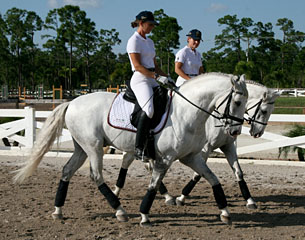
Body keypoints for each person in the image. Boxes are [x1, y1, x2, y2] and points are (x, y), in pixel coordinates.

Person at [126, 10, 168, 161]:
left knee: (167, 102)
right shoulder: (134, 40)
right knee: (149, 110)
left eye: (153, 25)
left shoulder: (149, 42)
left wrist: (167, 77)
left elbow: (154, 65)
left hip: (152, 77)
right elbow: (138, 66)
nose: (152, 28)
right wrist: (156, 77)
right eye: (150, 25)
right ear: (141, 23)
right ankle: (138, 147)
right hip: (140, 79)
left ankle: (154, 137)